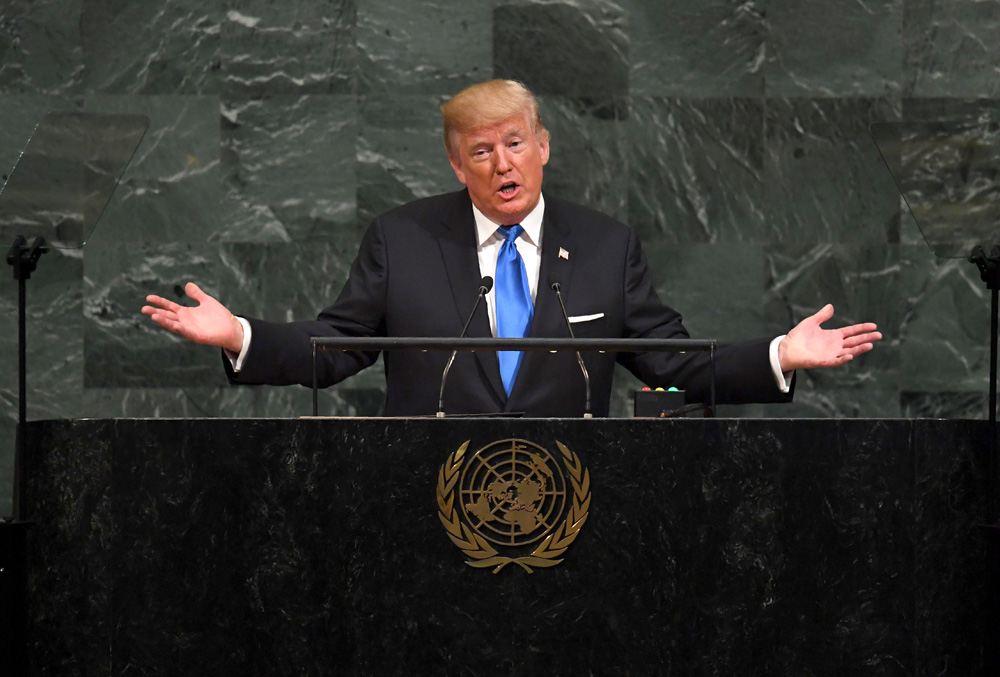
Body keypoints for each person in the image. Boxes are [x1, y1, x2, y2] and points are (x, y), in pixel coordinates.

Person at [142, 79, 881, 417]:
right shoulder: (403, 239)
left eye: (516, 143)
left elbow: (673, 365)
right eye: (482, 151)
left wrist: (781, 354)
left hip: (572, 505)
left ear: (544, 147)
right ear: (457, 166)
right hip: (425, 503)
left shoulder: (602, 246)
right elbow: (336, 348)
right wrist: (238, 335)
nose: (503, 163)